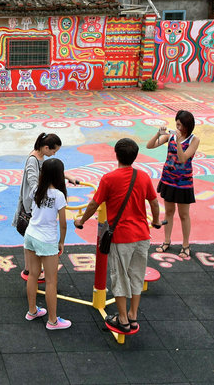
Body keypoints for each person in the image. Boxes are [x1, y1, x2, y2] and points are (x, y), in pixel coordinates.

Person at [74, 138, 162, 335]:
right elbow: (155, 203)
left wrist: (81, 221)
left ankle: (121, 319)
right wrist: (155, 221)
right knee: (137, 275)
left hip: (122, 236)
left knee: (119, 276)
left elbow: (94, 204)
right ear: (135, 156)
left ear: (116, 154)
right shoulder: (143, 176)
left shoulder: (109, 178)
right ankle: (132, 315)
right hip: (142, 234)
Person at [15, 133, 79, 280]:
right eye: (53, 151)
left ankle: (29, 269)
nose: (53, 154)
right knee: (31, 235)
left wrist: (67, 176)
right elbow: (33, 184)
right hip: (32, 204)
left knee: (29, 237)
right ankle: (30, 269)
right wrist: (48, 195)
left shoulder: (41, 157)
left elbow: (50, 171)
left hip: (36, 202)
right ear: (45, 147)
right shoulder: (33, 161)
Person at [147, 110, 202, 260]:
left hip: (183, 183)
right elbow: (149, 146)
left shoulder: (194, 140)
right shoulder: (170, 136)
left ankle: (185, 245)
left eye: (179, 125)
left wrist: (178, 142)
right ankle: (166, 241)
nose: (177, 127)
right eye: (176, 124)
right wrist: (158, 134)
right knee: (169, 212)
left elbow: (183, 158)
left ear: (187, 126)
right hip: (168, 180)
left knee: (184, 215)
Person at [23, 158, 70, 330]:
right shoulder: (58, 195)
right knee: (51, 282)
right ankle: (52, 321)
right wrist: (62, 242)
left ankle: (32, 311)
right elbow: (63, 223)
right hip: (47, 240)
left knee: (33, 275)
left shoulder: (36, 189)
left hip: (31, 235)